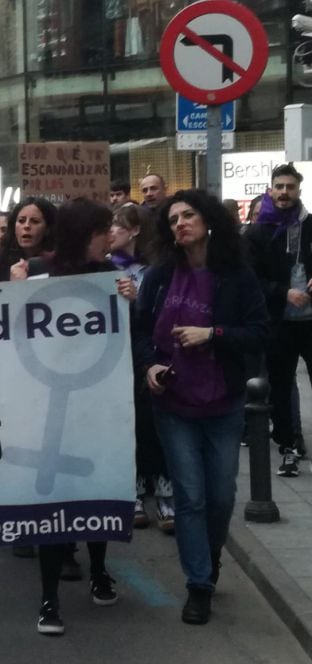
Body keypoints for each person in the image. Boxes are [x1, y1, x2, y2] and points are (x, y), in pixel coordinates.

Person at [135, 190, 268, 625]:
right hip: (173, 404)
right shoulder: (158, 277)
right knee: (190, 496)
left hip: (224, 403)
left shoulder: (236, 275)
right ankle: (199, 585)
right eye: (172, 219)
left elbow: (259, 333)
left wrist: (212, 333)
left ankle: (208, 558)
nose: (180, 224)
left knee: (221, 495)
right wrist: (149, 365)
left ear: (208, 221)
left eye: (188, 215)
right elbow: (140, 333)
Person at [12, 198, 132, 636]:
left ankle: (99, 570)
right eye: (106, 230)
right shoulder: (36, 271)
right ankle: (49, 598)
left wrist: (131, 302)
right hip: (47, 405)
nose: (113, 237)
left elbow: (131, 335)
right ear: (87, 234)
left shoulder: (112, 276)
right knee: (52, 504)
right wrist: (12, 289)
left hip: (98, 404)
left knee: (97, 491)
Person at [246, 163, 312, 476]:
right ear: (271, 190)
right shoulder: (258, 231)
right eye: (279, 187)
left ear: (299, 190)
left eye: (290, 187)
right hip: (279, 323)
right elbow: (250, 279)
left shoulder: (311, 225)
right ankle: (288, 448)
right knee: (281, 388)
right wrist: (283, 292)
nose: (284, 193)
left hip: (310, 322)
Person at [110, 205, 173, 532]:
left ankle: (164, 489)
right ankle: (132, 488)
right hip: (112, 359)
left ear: (135, 231)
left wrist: (137, 302)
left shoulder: (154, 271)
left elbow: (161, 317)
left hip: (146, 355)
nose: (111, 231)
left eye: (118, 225)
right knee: (125, 425)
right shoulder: (104, 268)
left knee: (152, 422)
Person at [0, 197, 57, 283]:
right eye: (21, 221)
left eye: (35, 221)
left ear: (48, 228)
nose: (26, 226)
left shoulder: (60, 264)